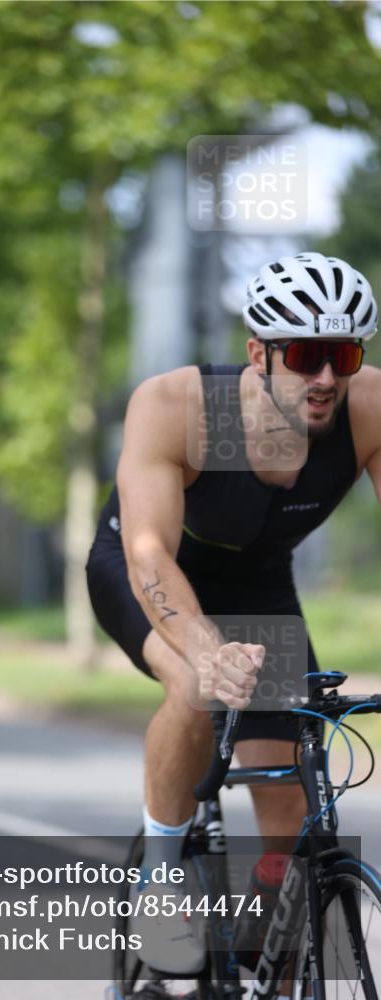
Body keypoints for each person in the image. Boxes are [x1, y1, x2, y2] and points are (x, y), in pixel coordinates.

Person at [86, 252, 381, 978]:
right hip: (146, 573)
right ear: (258, 352)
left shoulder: (368, 406)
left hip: (257, 589)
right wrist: (203, 646)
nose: (324, 378)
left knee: (289, 839)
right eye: (306, 355)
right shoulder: (179, 406)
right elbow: (150, 554)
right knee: (193, 685)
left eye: (341, 355)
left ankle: (257, 972)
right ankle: (161, 879)